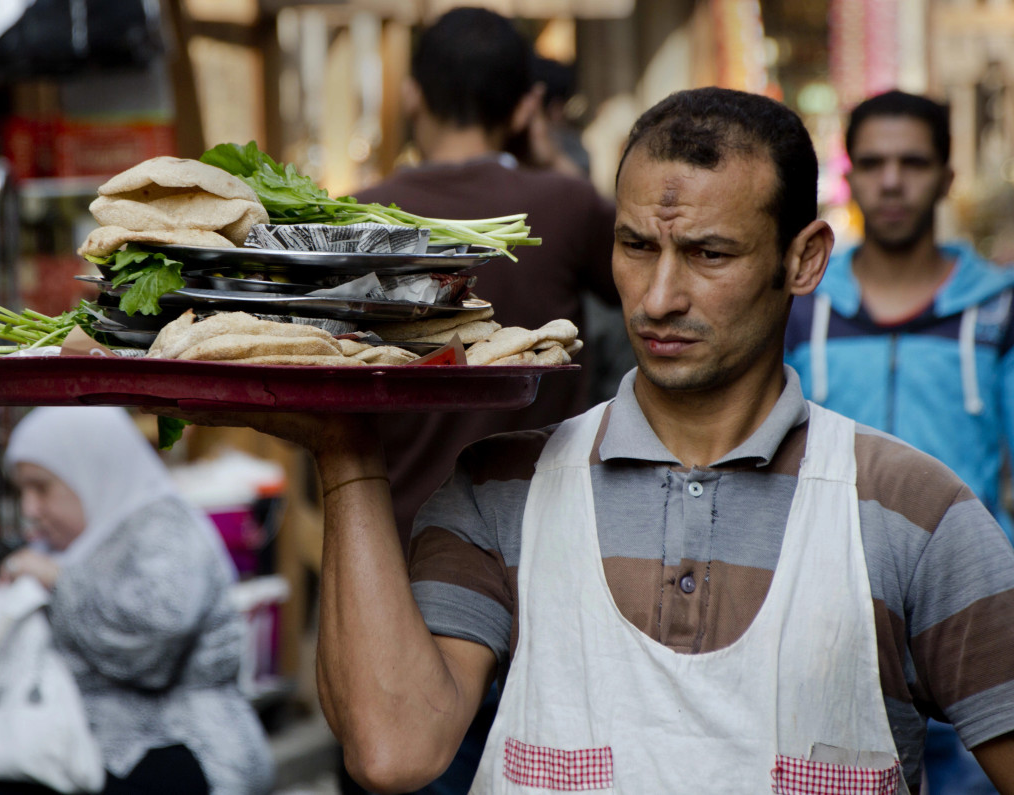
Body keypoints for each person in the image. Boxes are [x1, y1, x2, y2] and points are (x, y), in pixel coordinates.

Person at [155, 87, 1014, 792]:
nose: (657, 297)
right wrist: (345, 456)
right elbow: (395, 749)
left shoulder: (914, 513)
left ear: (805, 259)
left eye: (710, 254)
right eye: (636, 246)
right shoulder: (502, 490)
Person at [784, 89, 1014, 794]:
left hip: (973, 622)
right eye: (874, 163)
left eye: (912, 162)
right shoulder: (798, 307)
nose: (891, 181)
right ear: (848, 178)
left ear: (948, 176)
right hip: (826, 630)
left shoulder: (999, 308)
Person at [352, 6, 621, 552]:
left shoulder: (355, 219)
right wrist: (561, 169)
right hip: (542, 547)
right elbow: (637, 278)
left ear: (411, 95)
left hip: (397, 544)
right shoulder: (565, 204)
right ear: (525, 108)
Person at [0, 406, 274, 795]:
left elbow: (152, 642)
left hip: (183, 744)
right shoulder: (75, 541)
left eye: (41, 487)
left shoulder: (165, 529)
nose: (30, 510)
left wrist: (59, 581)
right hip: (84, 744)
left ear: (93, 470)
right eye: (22, 490)